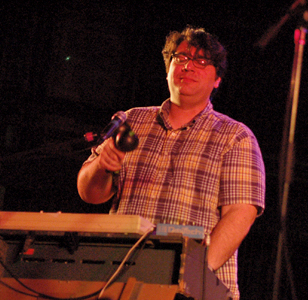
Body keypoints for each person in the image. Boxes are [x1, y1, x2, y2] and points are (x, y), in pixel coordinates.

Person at [77, 26, 265, 299]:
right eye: (181, 58)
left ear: (217, 80)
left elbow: (240, 214)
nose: (188, 66)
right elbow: (89, 193)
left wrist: (192, 275)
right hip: (120, 281)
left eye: (201, 61)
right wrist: (103, 166)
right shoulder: (131, 120)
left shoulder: (236, 136)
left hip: (198, 288)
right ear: (168, 68)